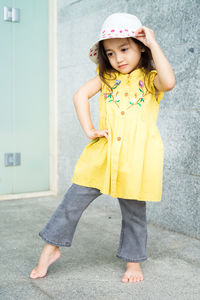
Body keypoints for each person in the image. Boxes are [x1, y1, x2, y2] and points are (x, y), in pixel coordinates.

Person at [30, 13, 175, 283]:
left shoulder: (151, 78)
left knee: (134, 213)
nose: (118, 58)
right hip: (103, 155)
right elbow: (79, 95)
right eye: (109, 53)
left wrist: (154, 43)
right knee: (72, 202)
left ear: (139, 46)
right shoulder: (106, 78)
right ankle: (51, 248)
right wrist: (89, 129)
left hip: (134, 159)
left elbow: (169, 82)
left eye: (124, 49)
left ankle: (133, 262)